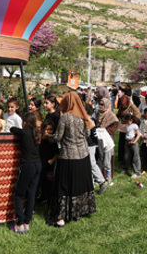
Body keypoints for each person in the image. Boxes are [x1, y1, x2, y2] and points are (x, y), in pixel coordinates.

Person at [46, 91, 96, 227]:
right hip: (83, 156)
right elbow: (87, 133)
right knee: (77, 184)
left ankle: (61, 218)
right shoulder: (83, 116)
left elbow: (57, 137)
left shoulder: (65, 118)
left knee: (63, 186)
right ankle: (76, 213)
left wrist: (46, 137)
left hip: (68, 156)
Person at [10, 112, 42, 234]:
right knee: (31, 194)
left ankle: (19, 224)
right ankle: (27, 223)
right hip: (37, 165)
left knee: (18, 195)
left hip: (27, 166)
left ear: (25, 123)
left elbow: (12, 128)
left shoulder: (23, 133)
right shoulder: (37, 134)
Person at [38, 120, 59, 205]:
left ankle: (47, 199)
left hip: (49, 165)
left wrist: (52, 160)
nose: (49, 131)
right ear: (42, 130)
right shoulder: (39, 140)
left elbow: (57, 153)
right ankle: (42, 197)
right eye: (47, 129)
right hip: (40, 164)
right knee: (41, 181)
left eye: (51, 130)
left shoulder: (52, 141)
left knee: (48, 182)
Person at [123, 113, 141, 178]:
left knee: (135, 157)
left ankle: (137, 172)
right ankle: (126, 168)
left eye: (128, 120)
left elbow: (138, 135)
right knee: (126, 156)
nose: (127, 122)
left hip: (133, 141)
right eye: (126, 120)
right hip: (127, 142)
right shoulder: (127, 125)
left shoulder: (135, 126)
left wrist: (134, 142)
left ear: (131, 120)